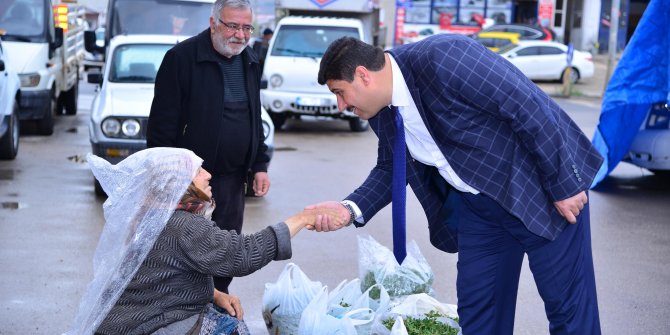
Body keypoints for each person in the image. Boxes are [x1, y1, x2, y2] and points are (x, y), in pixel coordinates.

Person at [309, 35, 604, 334]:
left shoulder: (444, 57)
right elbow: (391, 167)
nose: (340, 105)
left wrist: (563, 183)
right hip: (480, 211)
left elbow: (526, 104)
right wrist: (348, 209)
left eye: (340, 92)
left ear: (363, 75)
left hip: (539, 190)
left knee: (568, 311)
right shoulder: (380, 111)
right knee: (478, 315)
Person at [66, 147, 338, 335]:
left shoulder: (151, 217)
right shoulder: (184, 226)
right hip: (145, 325)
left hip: (124, 322)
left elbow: (160, 278)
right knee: (233, 329)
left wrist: (213, 293)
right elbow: (241, 255)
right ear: (178, 185)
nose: (208, 174)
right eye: (197, 171)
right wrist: (303, 219)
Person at [147, 0, 269, 294]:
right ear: (213, 23)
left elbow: (254, 116)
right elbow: (161, 127)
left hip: (232, 179)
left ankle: (219, 301)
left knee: (226, 250)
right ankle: (185, 307)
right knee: (187, 252)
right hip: (192, 183)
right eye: (232, 26)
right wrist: (173, 179)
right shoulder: (181, 58)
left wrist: (260, 165)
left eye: (246, 27)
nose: (240, 35)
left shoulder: (249, 60)